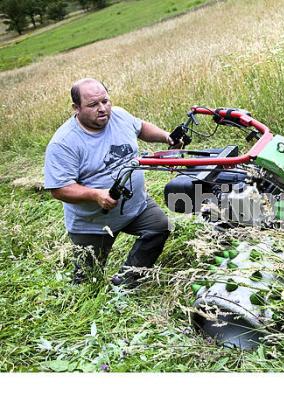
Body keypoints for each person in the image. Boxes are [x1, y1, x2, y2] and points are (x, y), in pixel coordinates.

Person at [44, 78, 181, 288]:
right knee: (87, 282)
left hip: (135, 207)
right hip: (93, 223)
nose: (102, 109)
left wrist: (166, 137)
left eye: (105, 101)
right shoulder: (64, 143)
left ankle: (126, 283)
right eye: (92, 105)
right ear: (76, 108)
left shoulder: (119, 115)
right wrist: (96, 195)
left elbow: (141, 127)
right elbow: (59, 189)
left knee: (159, 228)